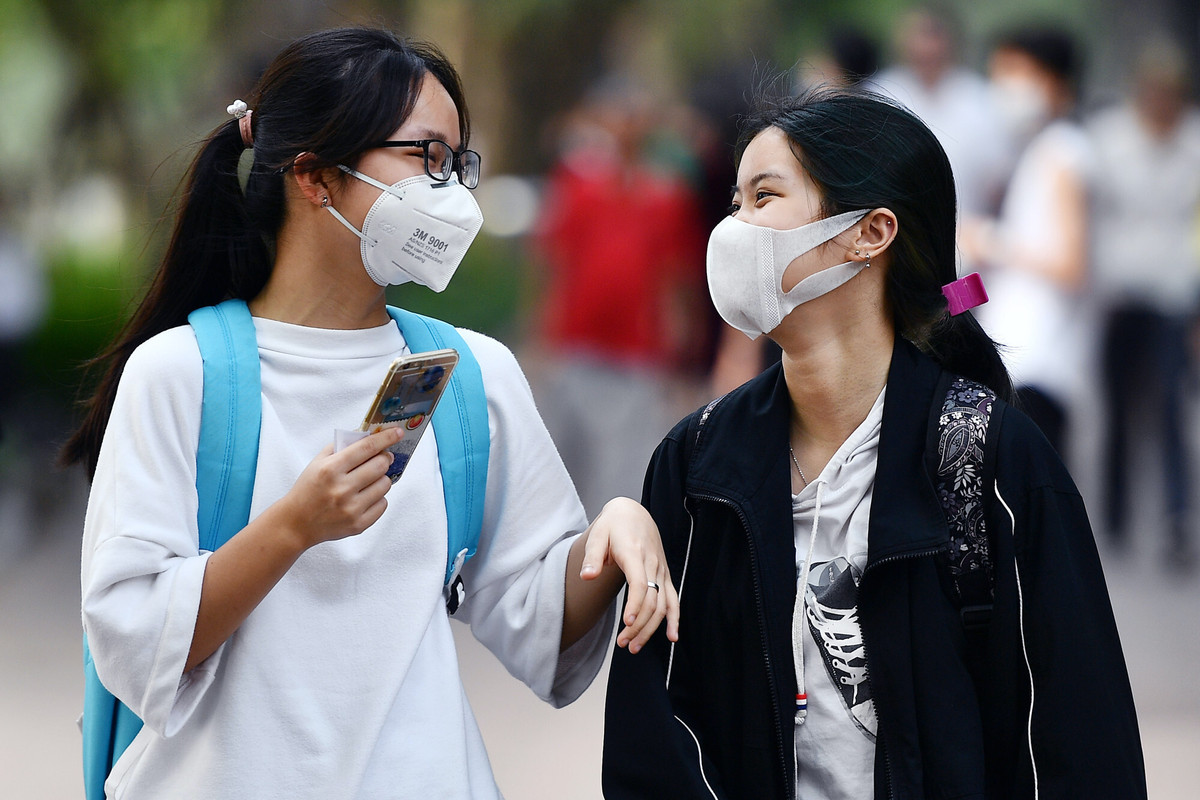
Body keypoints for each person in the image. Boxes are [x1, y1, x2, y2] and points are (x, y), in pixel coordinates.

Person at [60, 27, 678, 799]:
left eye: (457, 164)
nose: (449, 192)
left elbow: (538, 620)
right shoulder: (179, 375)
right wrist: (294, 527)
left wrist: (614, 535)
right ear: (316, 175)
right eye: (426, 158)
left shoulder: (472, 375)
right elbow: (132, 642)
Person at [602, 89, 1145, 799]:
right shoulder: (698, 462)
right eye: (735, 202)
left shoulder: (993, 461)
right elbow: (650, 734)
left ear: (871, 232)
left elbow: (1082, 738)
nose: (733, 227)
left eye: (764, 196)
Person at [529, 77, 706, 517]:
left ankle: (607, 548)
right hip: (577, 342)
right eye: (619, 114)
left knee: (622, 472)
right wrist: (539, 336)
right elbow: (554, 261)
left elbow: (677, 277)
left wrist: (681, 354)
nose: (627, 125)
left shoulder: (667, 195)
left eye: (636, 116)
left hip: (638, 352)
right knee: (561, 462)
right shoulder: (577, 183)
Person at [1088, 36, 1200, 570]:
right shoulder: (1110, 139)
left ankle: (1176, 515)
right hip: (1119, 291)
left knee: (1170, 407)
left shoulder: (1194, 142)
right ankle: (1116, 515)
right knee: (1118, 406)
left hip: (1174, 291)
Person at [963, 26, 1092, 455]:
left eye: (1014, 72)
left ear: (1054, 81)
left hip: (1040, 363)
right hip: (1013, 358)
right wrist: (949, 301)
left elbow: (1071, 265)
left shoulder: (1064, 153)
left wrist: (991, 241)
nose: (1002, 86)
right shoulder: (1032, 152)